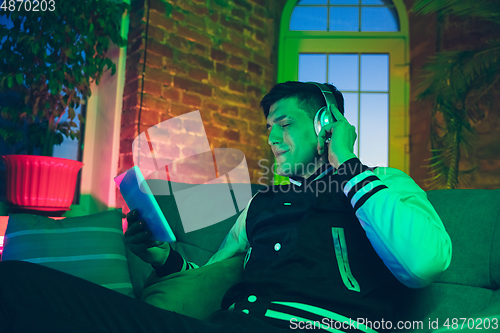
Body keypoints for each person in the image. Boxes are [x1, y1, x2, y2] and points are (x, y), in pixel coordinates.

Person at [0, 81, 452, 333]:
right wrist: (164, 260)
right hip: (227, 324)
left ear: (325, 125)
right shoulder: (260, 206)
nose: (272, 139)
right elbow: (211, 276)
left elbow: (424, 262)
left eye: (285, 124)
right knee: (17, 285)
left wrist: (348, 164)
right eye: (269, 128)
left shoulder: (384, 185)